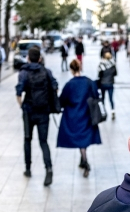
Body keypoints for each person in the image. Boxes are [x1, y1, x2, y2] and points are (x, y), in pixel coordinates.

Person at [15, 47, 58, 186]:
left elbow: (19, 91)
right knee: (43, 141)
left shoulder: (24, 72)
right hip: (44, 111)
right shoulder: (46, 71)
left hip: (29, 110)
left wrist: (22, 105)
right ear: (40, 58)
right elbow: (55, 86)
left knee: (27, 139)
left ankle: (28, 168)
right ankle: (49, 168)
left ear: (28, 57)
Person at [58, 59, 102, 178]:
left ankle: (85, 161)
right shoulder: (89, 82)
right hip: (87, 115)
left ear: (71, 69)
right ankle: (83, 160)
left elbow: (62, 100)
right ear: (80, 68)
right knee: (83, 139)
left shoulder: (69, 84)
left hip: (74, 116)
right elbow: (96, 96)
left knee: (79, 138)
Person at [98, 52, 117, 120]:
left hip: (103, 83)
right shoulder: (113, 64)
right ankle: (113, 111)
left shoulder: (101, 64)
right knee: (111, 99)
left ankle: (103, 112)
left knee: (103, 98)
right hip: (110, 83)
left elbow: (99, 75)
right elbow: (115, 73)